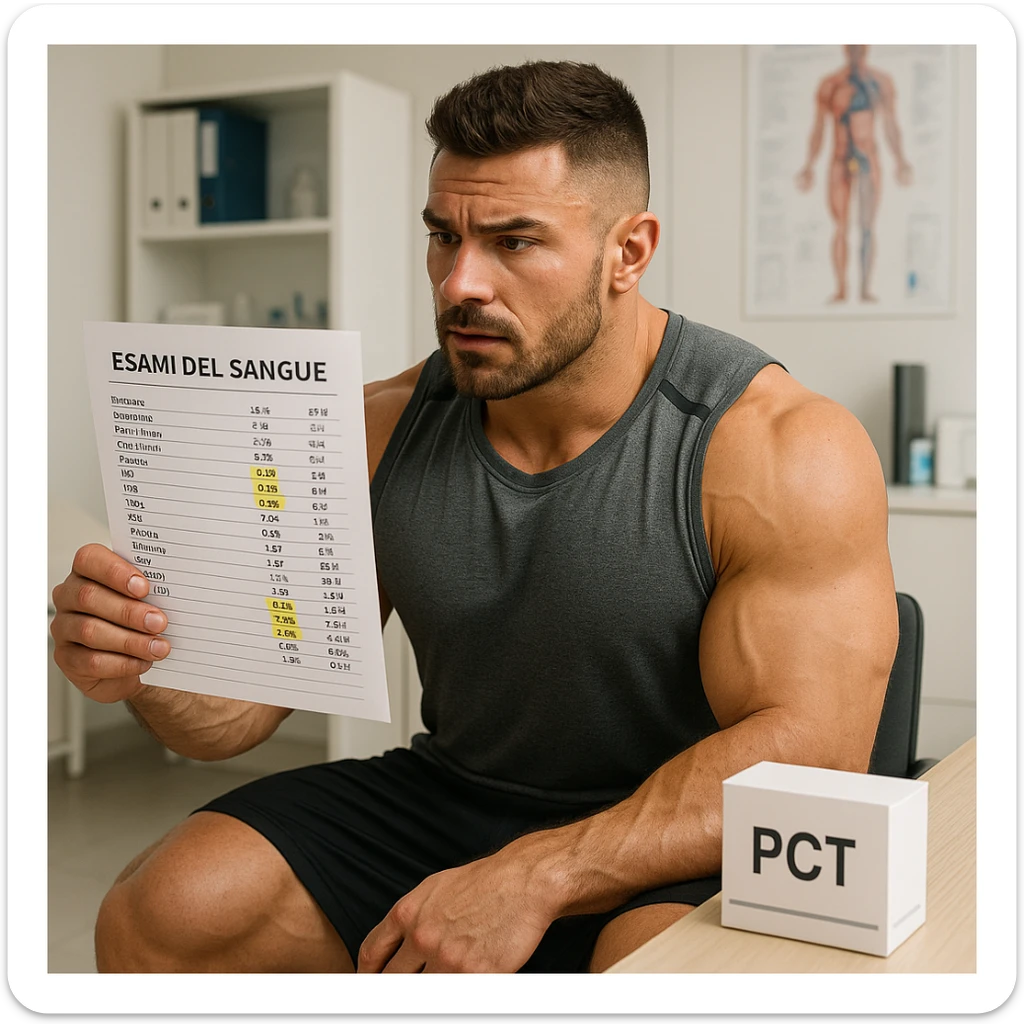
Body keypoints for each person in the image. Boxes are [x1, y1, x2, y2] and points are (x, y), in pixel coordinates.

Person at [50, 61, 898, 974]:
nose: (460, 283)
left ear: (629, 251)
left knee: (658, 970)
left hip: (676, 830)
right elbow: (229, 722)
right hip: (454, 798)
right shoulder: (379, 427)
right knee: (164, 913)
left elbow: (812, 754)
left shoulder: (777, 446)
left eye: (514, 241)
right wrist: (138, 661)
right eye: (443, 236)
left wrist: (538, 873)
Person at [795, 44, 914, 303]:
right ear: (846, 50)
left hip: (868, 160)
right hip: (840, 160)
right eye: (853, 49)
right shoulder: (831, 85)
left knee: (867, 226)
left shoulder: (880, 82)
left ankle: (864, 289)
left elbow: (891, 124)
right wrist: (809, 165)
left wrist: (901, 160)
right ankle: (841, 289)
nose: (857, 53)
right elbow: (818, 128)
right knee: (840, 227)